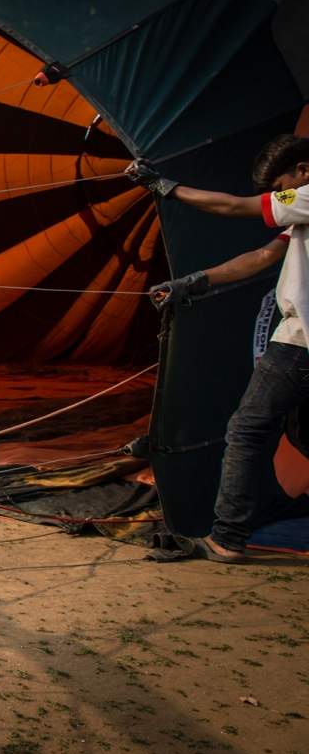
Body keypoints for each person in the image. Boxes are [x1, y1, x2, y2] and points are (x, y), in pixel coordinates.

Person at [133, 134, 309, 561]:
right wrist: (194, 281)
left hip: (300, 341)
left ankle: (227, 538)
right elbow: (261, 258)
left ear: (303, 171)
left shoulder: (306, 194)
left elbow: (234, 206)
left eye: (281, 184)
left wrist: (168, 189)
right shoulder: (301, 215)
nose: (276, 194)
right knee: (303, 434)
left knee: (246, 431)